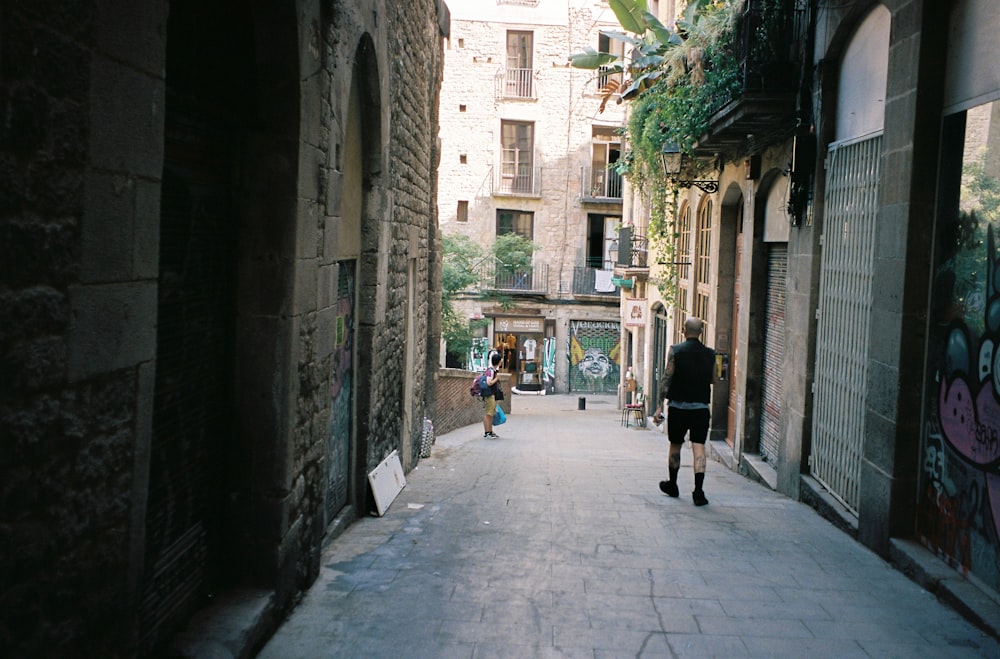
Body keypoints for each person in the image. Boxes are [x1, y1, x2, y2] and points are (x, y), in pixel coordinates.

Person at [657, 317, 715, 506]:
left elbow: (667, 379)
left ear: (683, 330)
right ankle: (698, 491)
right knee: (699, 447)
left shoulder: (676, 351)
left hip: (678, 408)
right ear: (701, 333)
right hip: (700, 409)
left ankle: (673, 484)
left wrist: (659, 406)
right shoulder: (710, 354)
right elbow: (714, 378)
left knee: (675, 445)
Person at [482, 351, 502, 438]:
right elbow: (489, 383)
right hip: (489, 395)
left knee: (491, 413)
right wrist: (496, 379)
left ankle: (490, 431)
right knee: (488, 414)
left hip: (491, 394)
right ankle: (487, 432)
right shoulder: (490, 371)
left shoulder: (493, 370)